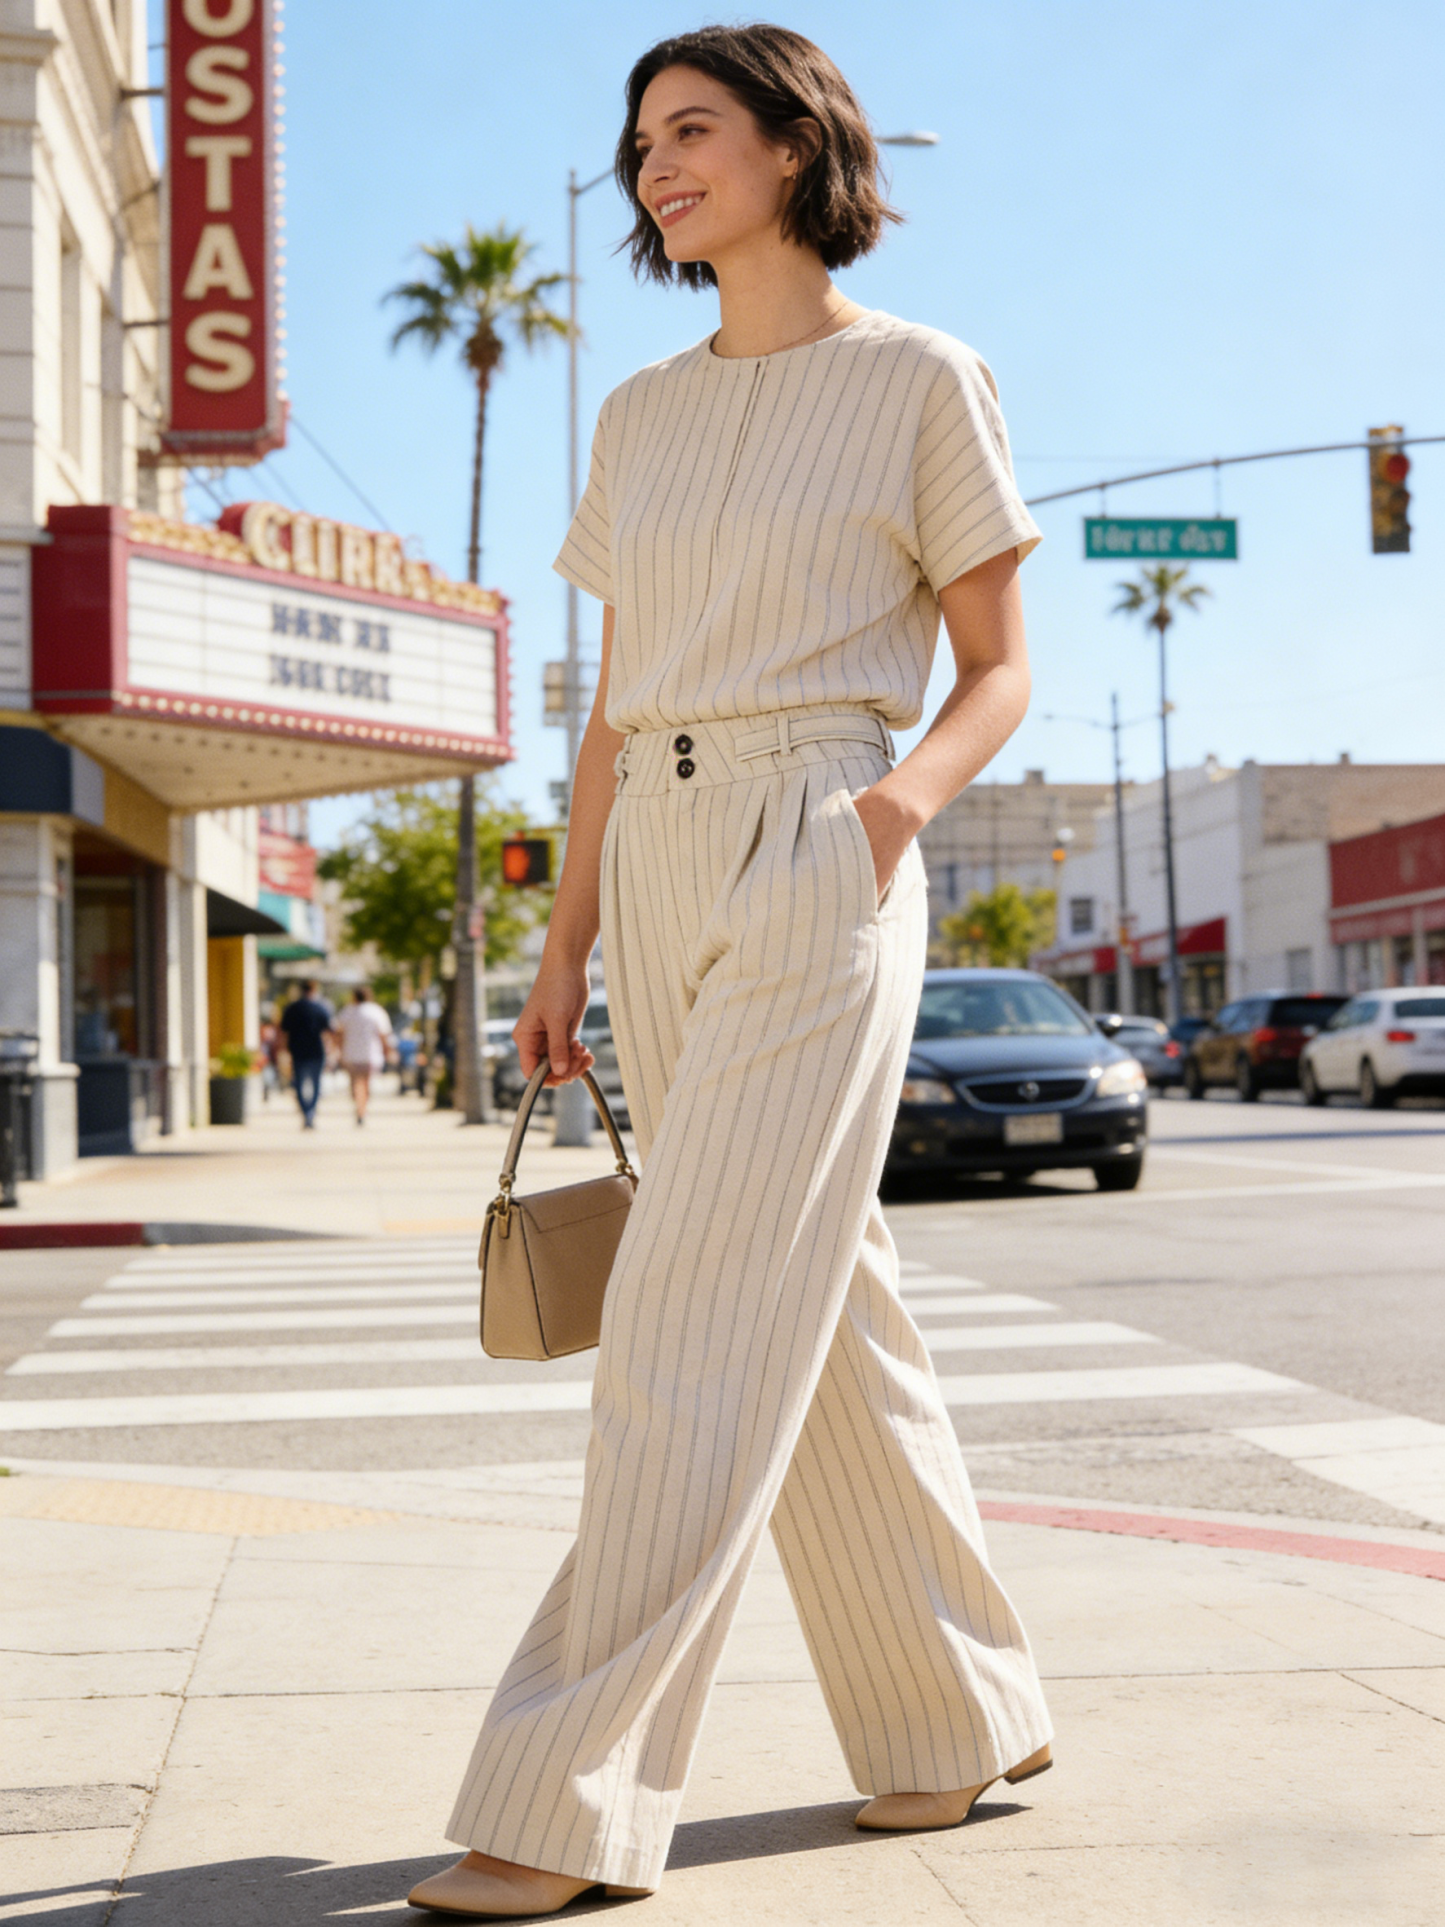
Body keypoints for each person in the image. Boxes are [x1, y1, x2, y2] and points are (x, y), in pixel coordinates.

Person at [408, 24, 1052, 1918]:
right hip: (664, 846)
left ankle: (565, 1791)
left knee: (691, 1318)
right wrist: (565, 939)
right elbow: (613, 709)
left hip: (816, 832)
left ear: (795, 149)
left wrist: (887, 818)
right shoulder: (641, 418)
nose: (656, 168)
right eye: (639, 145)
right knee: (818, 1297)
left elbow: (999, 661)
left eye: (692, 131)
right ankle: (956, 1713)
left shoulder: (925, 376)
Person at [332, 985, 395, 1125]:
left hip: (351, 1054)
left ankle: (359, 1106)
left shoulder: (347, 1012)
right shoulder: (377, 1012)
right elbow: (384, 1034)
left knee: (355, 1083)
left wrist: (337, 1050)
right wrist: (388, 1051)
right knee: (365, 1083)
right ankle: (362, 1107)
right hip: (371, 1055)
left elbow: (339, 1033)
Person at [277, 979, 333, 1130]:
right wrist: (331, 1050)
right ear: (314, 990)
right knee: (316, 1084)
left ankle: (306, 1111)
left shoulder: (292, 1008)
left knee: (299, 1084)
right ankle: (310, 1112)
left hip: (298, 1050)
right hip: (316, 1050)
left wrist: (282, 1051)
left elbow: (283, 1032)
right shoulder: (321, 1008)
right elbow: (328, 1032)